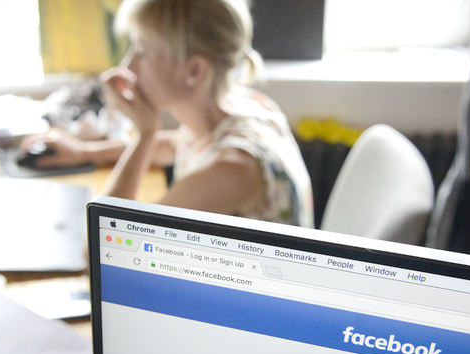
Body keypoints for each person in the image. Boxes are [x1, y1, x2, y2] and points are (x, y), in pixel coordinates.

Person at [22, 0, 314, 227]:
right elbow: (175, 145)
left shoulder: (231, 170)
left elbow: (106, 248)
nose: (127, 67)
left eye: (142, 51)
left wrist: (145, 133)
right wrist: (84, 152)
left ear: (194, 70)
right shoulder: (244, 105)